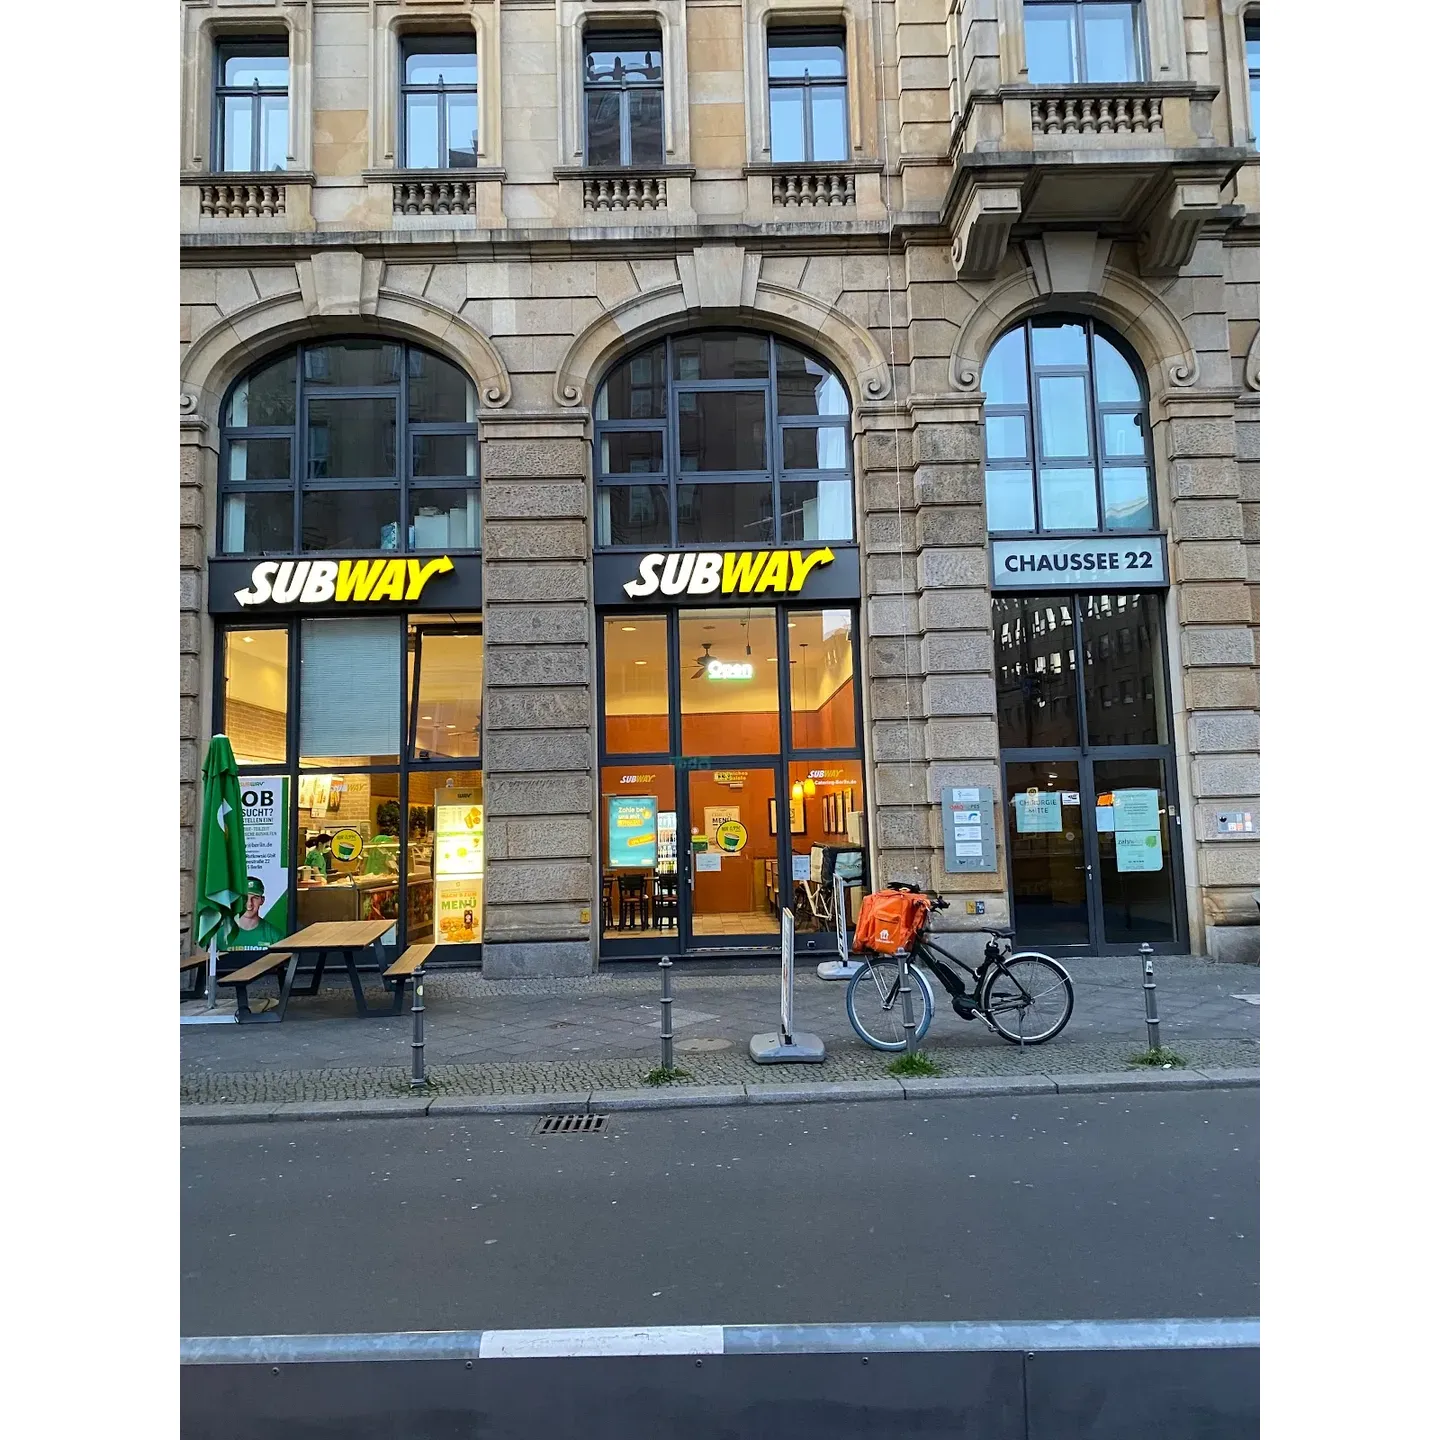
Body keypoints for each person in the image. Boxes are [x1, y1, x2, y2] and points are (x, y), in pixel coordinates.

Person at [226, 876, 285, 949]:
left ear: (262, 900)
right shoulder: (220, 935)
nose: (249, 903)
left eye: (255, 898)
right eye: (244, 898)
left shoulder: (275, 935)